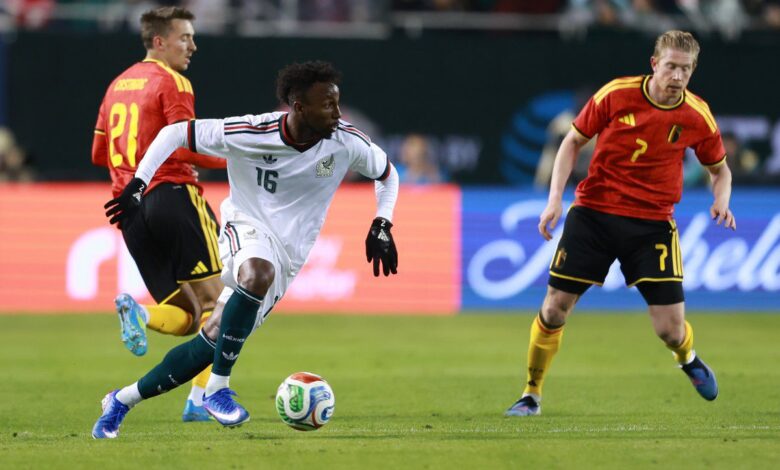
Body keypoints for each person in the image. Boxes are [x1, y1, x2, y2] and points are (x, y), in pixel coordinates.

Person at [92, 61, 399, 438]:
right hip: (246, 227)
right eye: (327, 105)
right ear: (298, 107)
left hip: (290, 253)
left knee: (211, 340)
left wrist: (382, 222)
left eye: (336, 103)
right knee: (257, 272)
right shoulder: (251, 131)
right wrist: (139, 183)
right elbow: (174, 133)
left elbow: (387, 174)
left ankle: (121, 400)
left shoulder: (347, 141)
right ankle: (217, 390)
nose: (337, 112)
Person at [505, 30, 735, 417]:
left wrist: (721, 200)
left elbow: (721, 170)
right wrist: (554, 199)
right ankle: (531, 394)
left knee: (670, 330)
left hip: (652, 224)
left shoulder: (697, 115)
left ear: (693, 70)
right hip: (594, 214)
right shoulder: (617, 94)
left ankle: (687, 358)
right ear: (654, 64)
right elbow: (571, 142)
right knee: (555, 308)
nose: (677, 76)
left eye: (685, 69)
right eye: (671, 66)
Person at [91, 6, 227, 422]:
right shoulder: (172, 81)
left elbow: (98, 153)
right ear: (159, 41)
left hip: (130, 213)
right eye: (185, 37)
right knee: (219, 302)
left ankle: (142, 314)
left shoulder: (116, 85)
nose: (193, 46)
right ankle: (200, 400)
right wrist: (234, 158)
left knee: (187, 315)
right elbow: (184, 143)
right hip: (172, 195)